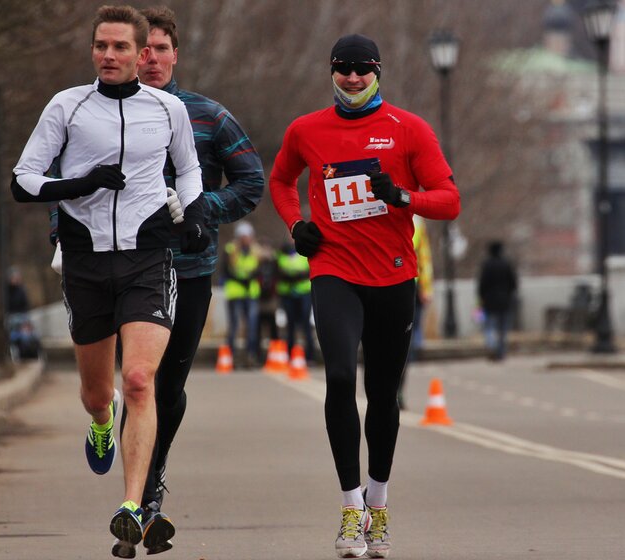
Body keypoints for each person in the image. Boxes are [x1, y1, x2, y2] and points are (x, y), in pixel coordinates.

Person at [10, 6, 210, 558]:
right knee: (100, 393)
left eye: (121, 47)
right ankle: (101, 422)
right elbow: (23, 179)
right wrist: (79, 183)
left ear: (141, 51)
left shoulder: (167, 109)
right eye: (102, 45)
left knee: (141, 380)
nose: (110, 55)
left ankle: (131, 505)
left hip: (148, 256)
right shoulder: (67, 106)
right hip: (86, 260)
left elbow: (188, 169)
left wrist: (192, 214)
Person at [269, 34, 461, 559]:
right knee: (336, 375)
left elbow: (449, 201)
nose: (352, 79)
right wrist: (295, 226)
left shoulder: (408, 129)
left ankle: (378, 500)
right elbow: (281, 179)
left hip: (394, 277)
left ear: (378, 72)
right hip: (334, 270)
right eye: (343, 70)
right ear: (331, 72)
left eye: (362, 70)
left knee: (382, 392)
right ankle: (351, 504)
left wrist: (403, 196)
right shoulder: (306, 130)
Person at [129, 5, 264, 556]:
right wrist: (61, 236)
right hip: (123, 267)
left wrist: (200, 208)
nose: (151, 58)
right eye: (142, 49)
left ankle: (146, 492)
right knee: (123, 385)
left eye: (161, 49)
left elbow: (251, 180)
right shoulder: (93, 113)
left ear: (175, 54)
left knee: (162, 386)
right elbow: (66, 179)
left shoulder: (207, 115)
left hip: (190, 268)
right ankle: (113, 444)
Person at [397, 215, 433, 410]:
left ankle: (398, 390)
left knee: (404, 344)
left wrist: (426, 288)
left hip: (410, 285)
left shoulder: (417, 221)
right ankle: (383, 389)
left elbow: (423, 256)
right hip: (379, 284)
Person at [222, 220, 262, 368]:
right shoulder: (230, 249)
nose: (246, 239)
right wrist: (242, 278)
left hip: (251, 293)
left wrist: (250, 277)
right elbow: (226, 270)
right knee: (234, 326)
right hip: (235, 293)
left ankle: (250, 357)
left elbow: (260, 270)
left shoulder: (256, 251)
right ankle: (230, 358)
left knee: (251, 327)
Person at [477, 240, 518, 361]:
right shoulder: (506, 264)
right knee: (503, 329)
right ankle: (501, 351)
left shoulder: (487, 265)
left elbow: (482, 284)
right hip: (505, 301)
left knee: (489, 326)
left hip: (490, 301)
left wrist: (482, 297)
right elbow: (513, 283)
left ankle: (491, 347)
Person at [275, 241, 315, 362]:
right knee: (290, 325)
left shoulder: (305, 252)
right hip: (288, 293)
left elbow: (310, 270)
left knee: (305, 324)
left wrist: (296, 275)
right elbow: (278, 271)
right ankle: (290, 354)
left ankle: (310, 356)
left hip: (303, 293)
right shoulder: (281, 254)